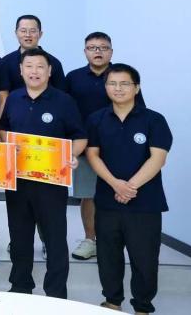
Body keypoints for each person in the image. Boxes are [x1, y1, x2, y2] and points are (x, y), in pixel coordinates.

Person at [0, 48, 86, 299]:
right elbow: (3, 130)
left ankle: (56, 293)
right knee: (19, 235)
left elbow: (80, 136)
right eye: (29, 66)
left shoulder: (64, 101)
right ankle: (20, 287)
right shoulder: (14, 98)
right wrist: (8, 144)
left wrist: (71, 155)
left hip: (51, 183)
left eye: (40, 67)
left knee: (55, 237)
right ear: (21, 70)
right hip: (18, 180)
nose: (34, 71)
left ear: (49, 71)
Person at [86, 63, 172, 315]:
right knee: (108, 256)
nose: (118, 88)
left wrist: (129, 187)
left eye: (125, 83)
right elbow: (92, 155)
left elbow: (158, 158)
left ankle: (142, 306)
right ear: (105, 87)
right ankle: (112, 302)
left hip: (145, 203)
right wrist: (115, 184)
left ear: (137, 88)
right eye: (112, 83)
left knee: (144, 258)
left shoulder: (154, 120)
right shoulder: (96, 119)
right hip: (107, 201)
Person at [65, 32, 146, 262]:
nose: (98, 51)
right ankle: (90, 240)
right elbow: (65, 110)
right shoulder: (73, 78)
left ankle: (114, 242)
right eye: (92, 48)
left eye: (103, 47)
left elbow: (139, 111)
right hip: (85, 146)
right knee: (88, 194)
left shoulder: (122, 76)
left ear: (111, 51)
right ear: (85, 52)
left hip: (119, 146)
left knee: (119, 191)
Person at [0, 14, 66, 92]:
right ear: (16, 33)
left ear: (40, 34)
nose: (28, 35)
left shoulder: (53, 62)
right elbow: (3, 93)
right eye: (23, 31)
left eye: (33, 31)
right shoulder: (5, 62)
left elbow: (61, 93)